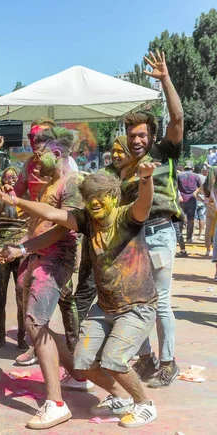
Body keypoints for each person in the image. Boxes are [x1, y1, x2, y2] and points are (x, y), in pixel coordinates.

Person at [0, 164, 159, 428]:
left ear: (113, 197)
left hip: (137, 306)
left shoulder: (127, 216)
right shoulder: (86, 220)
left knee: (114, 359)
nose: (94, 201)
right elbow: (52, 213)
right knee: (82, 361)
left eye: (100, 195)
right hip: (105, 306)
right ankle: (120, 397)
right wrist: (16, 200)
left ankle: (144, 404)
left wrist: (146, 178)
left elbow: (144, 201)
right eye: (90, 196)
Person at [0, 129, 88, 429]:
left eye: (40, 154)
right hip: (38, 257)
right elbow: (40, 227)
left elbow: (65, 226)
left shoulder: (71, 182)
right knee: (34, 324)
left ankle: (55, 403)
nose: (36, 159)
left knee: (36, 322)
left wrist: (24, 243)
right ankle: (78, 374)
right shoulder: (51, 184)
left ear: (58, 154)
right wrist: (20, 249)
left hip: (56, 260)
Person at [120, 51, 184, 388]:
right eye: (132, 135)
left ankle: (169, 362)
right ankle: (146, 359)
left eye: (142, 135)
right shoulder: (126, 168)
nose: (136, 140)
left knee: (159, 303)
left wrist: (165, 80)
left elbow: (177, 118)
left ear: (151, 136)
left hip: (160, 234)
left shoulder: (164, 153)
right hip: (135, 239)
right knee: (135, 303)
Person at [0, 136, 28, 351]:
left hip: (22, 253)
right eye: (7, 178)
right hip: (1, 253)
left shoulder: (29, 199)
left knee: (23, 297)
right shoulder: (1, 199)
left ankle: (22, 337)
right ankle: (0, 337)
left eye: (15, 178)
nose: (11, 181)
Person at [176, 160, 200, 252]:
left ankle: (179, 237)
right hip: (192, 199)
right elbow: (200, 187)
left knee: (180, 219)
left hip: (181, 199)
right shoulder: (196, 176)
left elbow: (175, 187)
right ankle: (189, 237)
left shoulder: (179, 175)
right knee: (191, 219)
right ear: (192, 168)